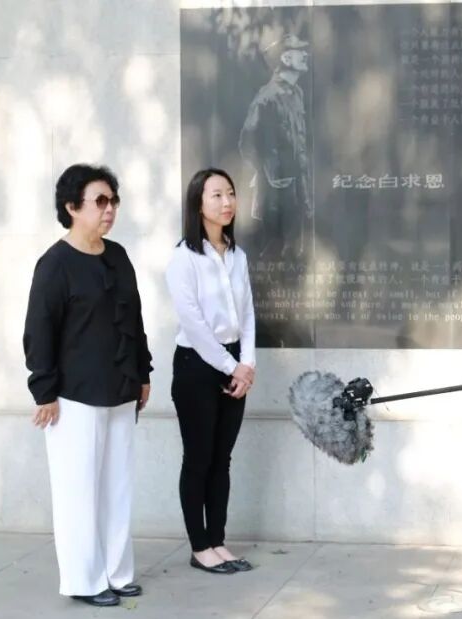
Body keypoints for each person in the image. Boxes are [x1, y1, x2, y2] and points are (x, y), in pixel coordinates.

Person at [23, 164, 152, 607]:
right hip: (73, 397)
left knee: (117, 487)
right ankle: (85, 580)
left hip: (121, 389)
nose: (109, 209)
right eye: (100, 201)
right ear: (72, 207)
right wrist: (44, 391)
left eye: (113, 200)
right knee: (78, 493)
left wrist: (143, 372)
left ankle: (117, 572)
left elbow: (134, 318)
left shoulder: (118, 256)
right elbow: (38, 332)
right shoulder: (55, 264)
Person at [165, 168, 257, 575]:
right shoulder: (183, 258)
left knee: (223, 459)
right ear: (197, 204)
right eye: (216, 195)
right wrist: (233, 366)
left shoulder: (237, 256)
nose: (226, 202)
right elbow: (196, 326)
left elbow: (248, 314)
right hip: (197, 367)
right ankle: (200, 546)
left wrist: (247, 364)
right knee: (198, 458)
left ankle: (218, 540)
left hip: (235, 363)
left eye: (230, 193)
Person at [239, 34, 313, 259]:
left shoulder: (297, 93)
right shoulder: (267, 97)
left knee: (296, 255)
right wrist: (270, 171)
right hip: (275, 197)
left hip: (298, 189)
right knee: (274, 255)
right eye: (300, 51)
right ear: (286, 58)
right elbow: (247, 141)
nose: (306, 54)